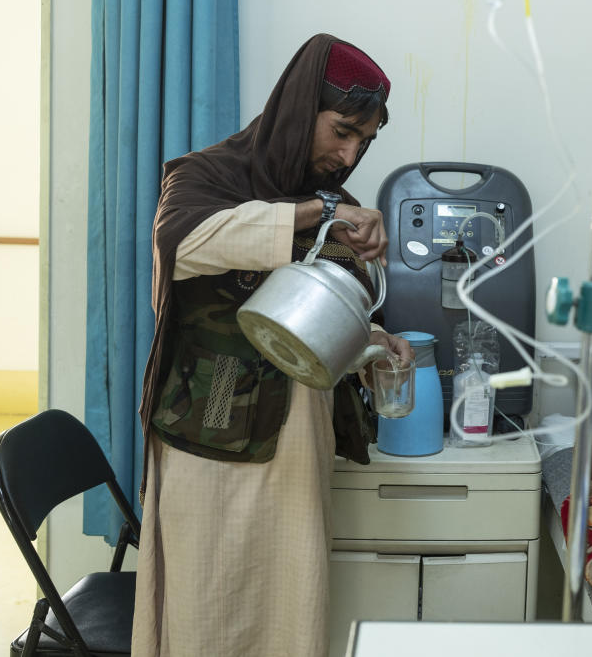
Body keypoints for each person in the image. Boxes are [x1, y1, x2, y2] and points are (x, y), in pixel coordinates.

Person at [132, 34, 413, 657]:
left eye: (363, 143)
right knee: (206, 610)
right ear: (298, 109)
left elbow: (326, 305)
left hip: (297, 443)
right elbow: (182, 248)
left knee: (290, 611)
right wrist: (317, 215)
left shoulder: (337, 204)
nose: (348, 155)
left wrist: (372, 341)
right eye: (342, 131)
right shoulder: (204, 175)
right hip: (210, 436)